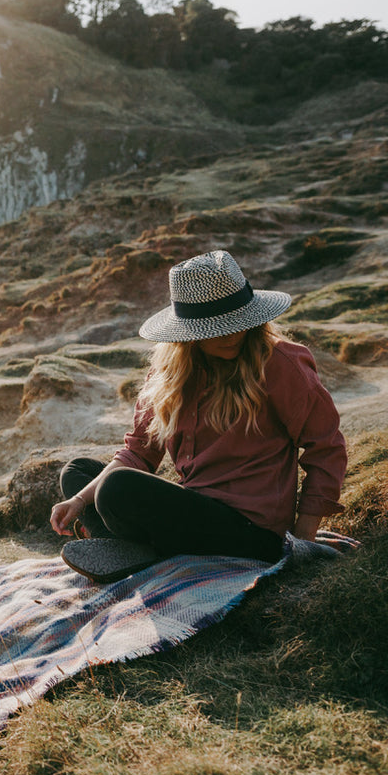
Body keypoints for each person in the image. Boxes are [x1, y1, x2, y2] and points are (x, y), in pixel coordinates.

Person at [49, 249, 347, 582]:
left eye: (238, 319)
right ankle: (136, 551)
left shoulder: (279, 363)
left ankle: (131, 550)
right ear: (188, 331)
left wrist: (301, 540)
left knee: (115, 488)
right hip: (194, 509)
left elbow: (326, 447)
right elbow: (138, 453)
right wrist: (76, 501)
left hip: (252, 532)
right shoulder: (168, 376)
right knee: (79, 473)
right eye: (216, 327)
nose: (233, 333)